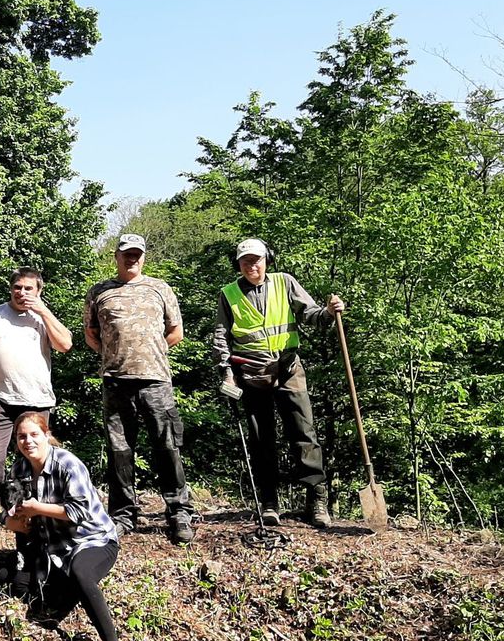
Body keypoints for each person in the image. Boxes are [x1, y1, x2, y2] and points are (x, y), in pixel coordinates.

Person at [213, 238, 345, 528]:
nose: (251, 265)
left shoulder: (284, 282)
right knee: (262, 441)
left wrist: (329, 312)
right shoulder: (229, 294)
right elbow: (221, 336)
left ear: (267, 260)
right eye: (245, 261)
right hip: (252, 374)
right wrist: (227, 371)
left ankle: (317, 501)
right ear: (238, 265)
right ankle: (269, 501)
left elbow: (310, 315)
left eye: (256, 260)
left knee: (304, 432)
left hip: (288, 368)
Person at [84, 233, 196, 544]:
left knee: (167, 446)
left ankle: (179, 512)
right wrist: (113, 356)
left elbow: (176, 332)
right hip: (115, 381)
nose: (132, 258)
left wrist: (150, 354)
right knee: (119, 451)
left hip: (156, 380)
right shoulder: (99, 292)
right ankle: (123, 514)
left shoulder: (160, 288)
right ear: (116, 256)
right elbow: (91, 334)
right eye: (126, 254)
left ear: (143, 257)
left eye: (137, 254)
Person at [0, 267, 73, 536]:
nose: (22, 293)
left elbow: (65, 344)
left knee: (36, 459)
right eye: (17, 287)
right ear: (11, 289)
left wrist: (43, 311)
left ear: (39, 291)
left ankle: (36, 512)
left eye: (28, 288)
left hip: (36, 401)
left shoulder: (42, 318)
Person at [4, 411, 120, 641]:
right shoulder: (18, 469)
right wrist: (14, 520)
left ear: (47, 435)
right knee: (19, 585)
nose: (28, 441)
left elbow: (80, 512)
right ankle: (62, 592)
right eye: (22, 437)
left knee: (81, 572)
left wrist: (37, 508)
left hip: (92, 540)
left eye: (34, 434)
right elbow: (7, 515)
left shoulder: (67, 464)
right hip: (53, 547)